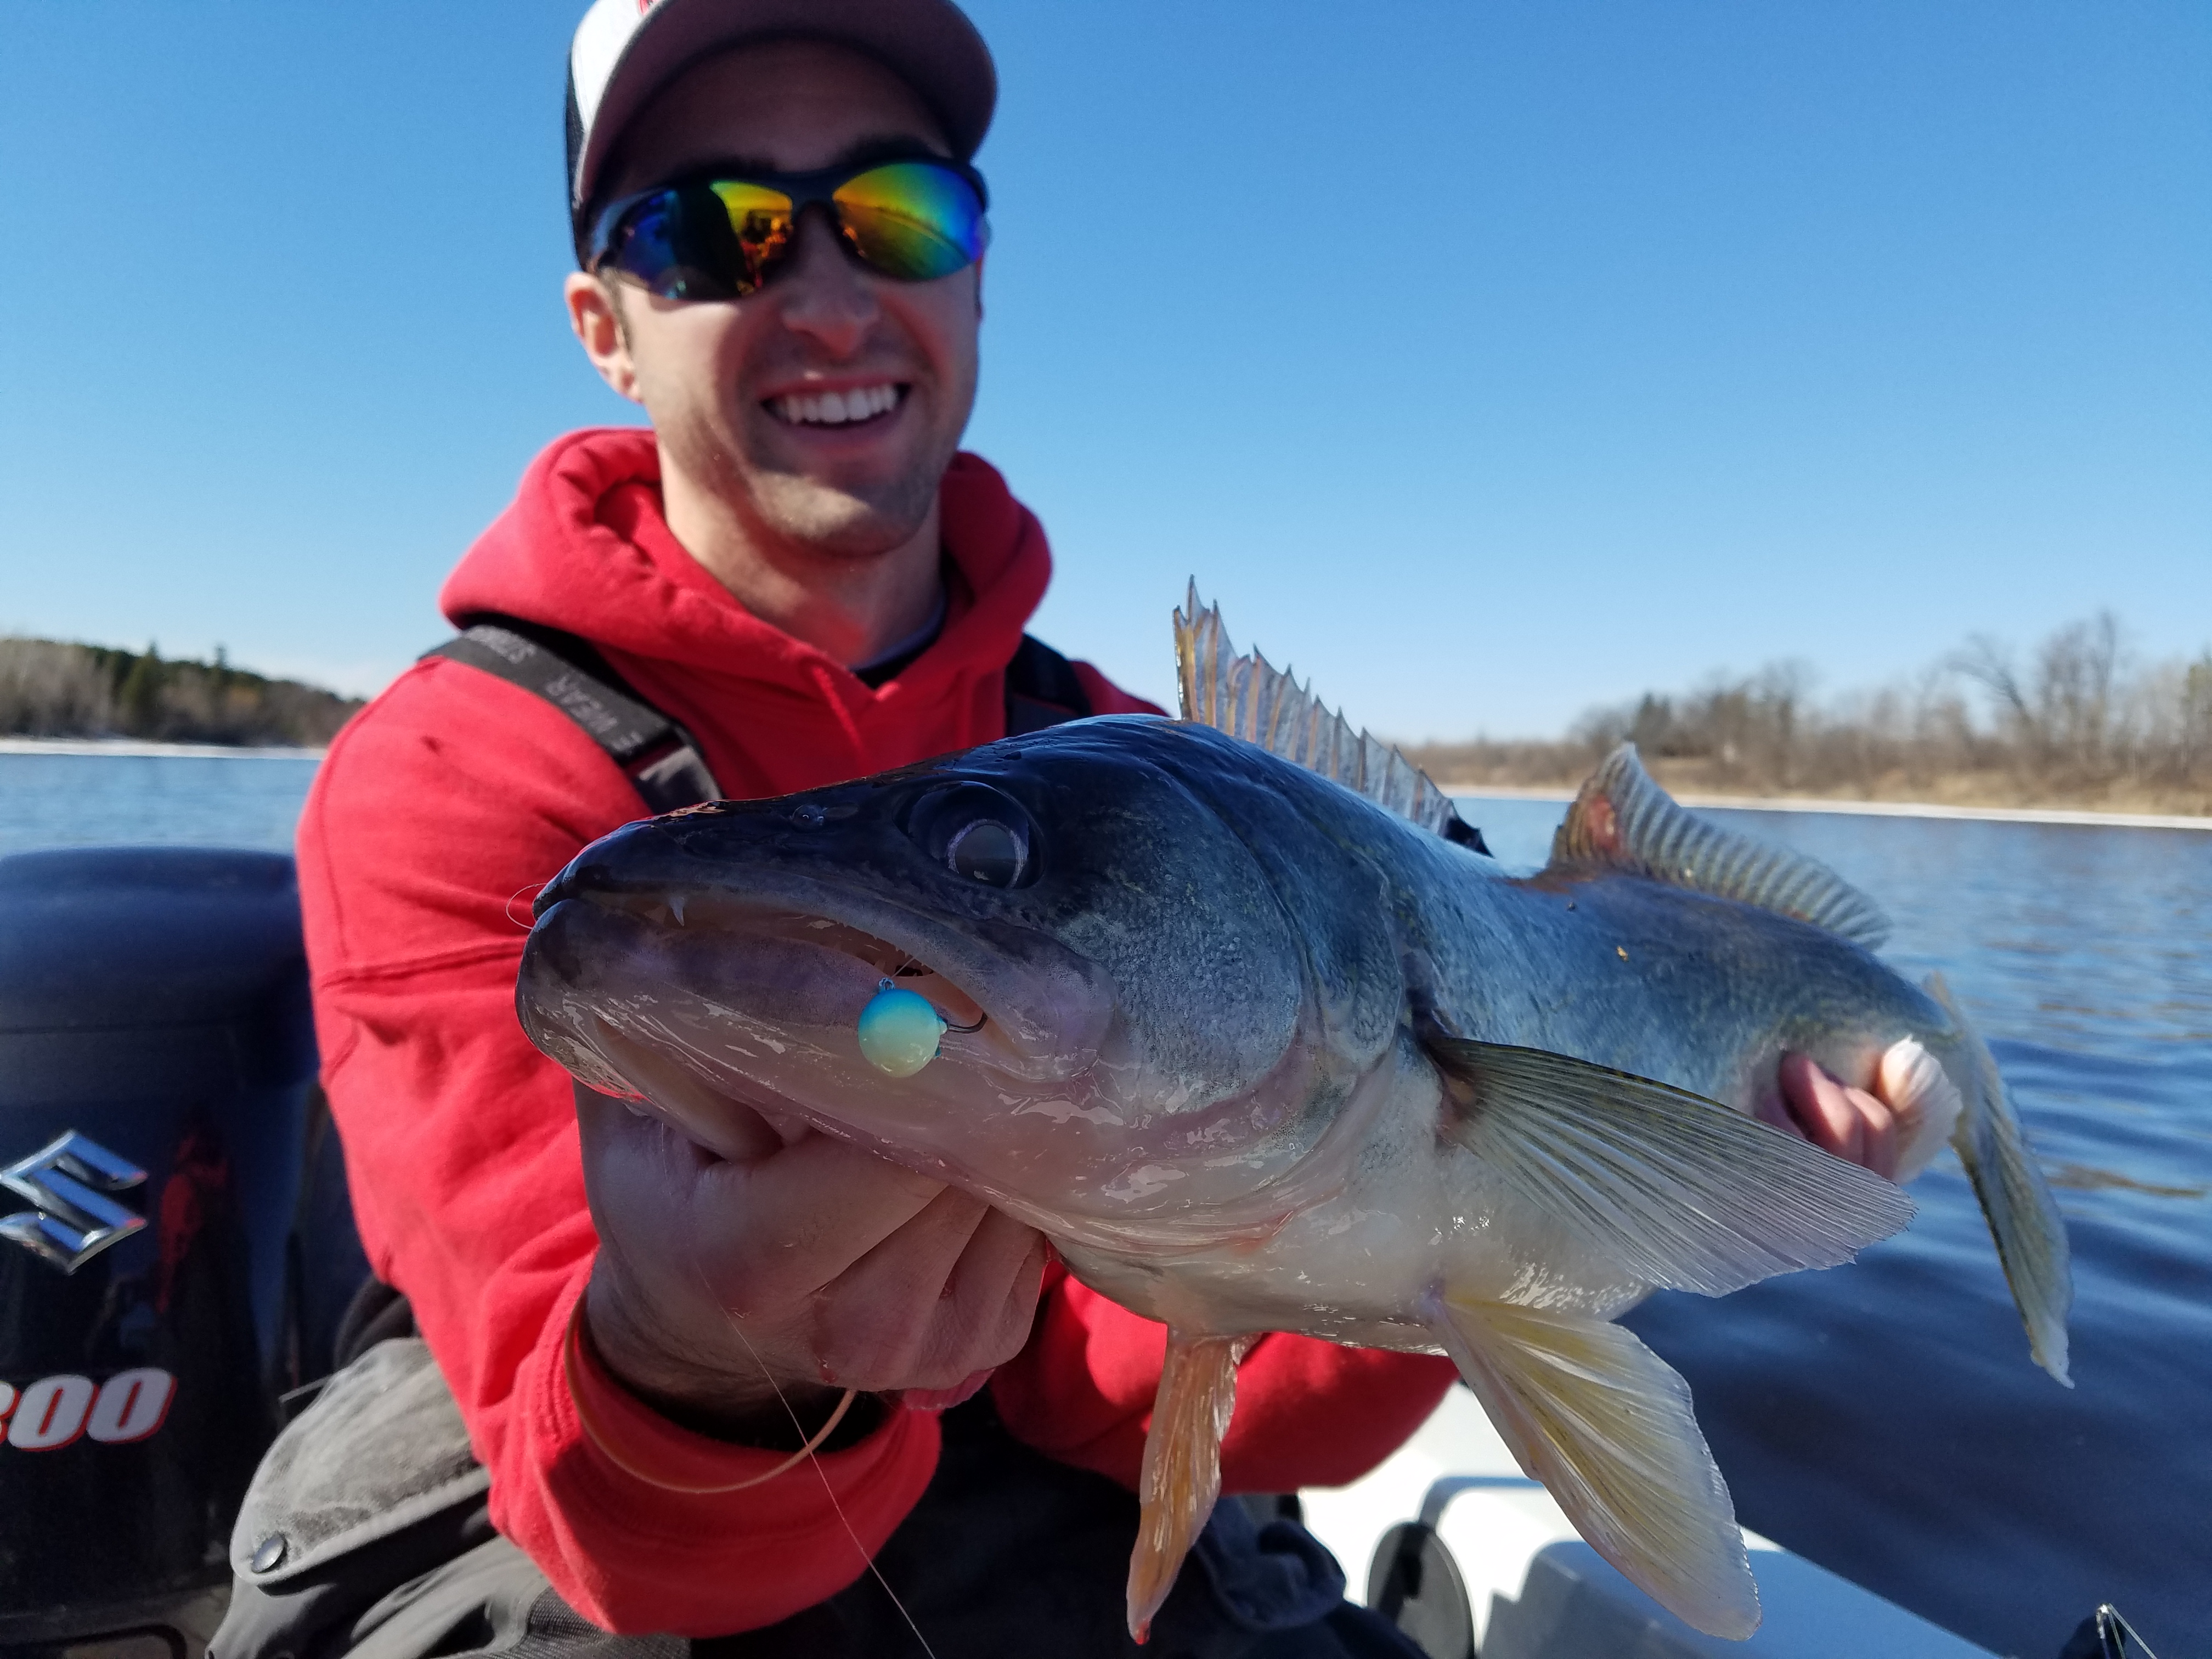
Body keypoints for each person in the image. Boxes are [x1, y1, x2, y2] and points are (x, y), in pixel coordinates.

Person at [212, 3, 1903, 1655]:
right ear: (605, 321)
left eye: (897, 212)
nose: (822, 290)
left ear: (975, 273)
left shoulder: (1141, 758)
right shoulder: (448, 771)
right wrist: (694, 1359)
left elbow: (1131, 1375)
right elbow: (596, 1513)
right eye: (715, 231)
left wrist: (1569, 1207)